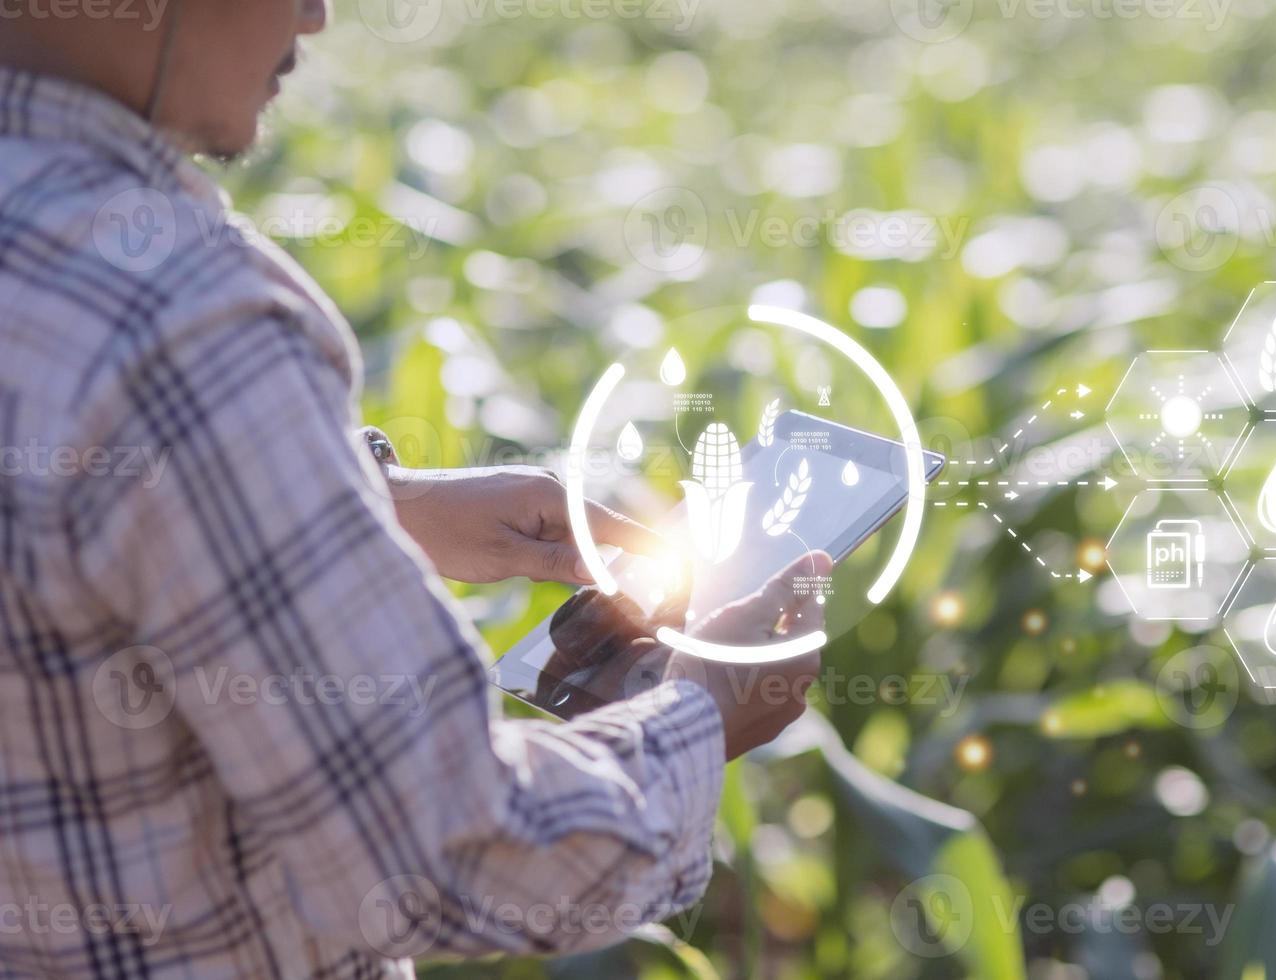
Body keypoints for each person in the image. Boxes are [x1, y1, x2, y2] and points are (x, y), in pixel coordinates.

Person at [0, 1, 823, 975]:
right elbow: (444, 847)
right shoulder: (175, 313)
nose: (315, 12)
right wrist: (702, 713)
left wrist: (368, 503)